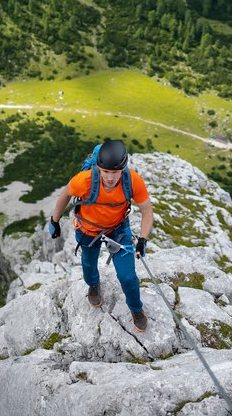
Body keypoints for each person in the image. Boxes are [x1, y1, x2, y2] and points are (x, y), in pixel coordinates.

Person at [48, 140, 154, 332]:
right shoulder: (84, 180)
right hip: (88, 229)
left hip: (118, 230)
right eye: (105, 172)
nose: (110, 178)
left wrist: (142, 240)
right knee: (89, 264)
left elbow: (147, 211)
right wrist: (54, 221)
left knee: (127, 276)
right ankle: (93, 285)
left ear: (123, 168)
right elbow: (65, 196)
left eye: (115, 172)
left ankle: (136, 309)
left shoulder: (132, 181)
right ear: (98, 167)